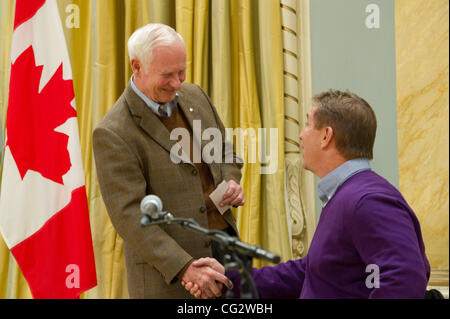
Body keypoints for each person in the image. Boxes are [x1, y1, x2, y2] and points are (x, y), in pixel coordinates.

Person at [183, 89, 431, 298]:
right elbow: (311, 272)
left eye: (308, 124)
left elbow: (404, 279)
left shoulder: (368, 201)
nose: (301, 135)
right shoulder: (348, 195)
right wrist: (226, 280)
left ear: (326, 136)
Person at [93, 23, 244, 298]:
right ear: (136, 67)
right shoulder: (113, 132)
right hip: (169, 279)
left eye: (181, 72)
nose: (177, 83)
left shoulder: (195, 95)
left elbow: (225, 152)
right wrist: (186, 267)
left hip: (226, 255)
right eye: (167, 75)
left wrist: (231, 180)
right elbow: (131, 217)